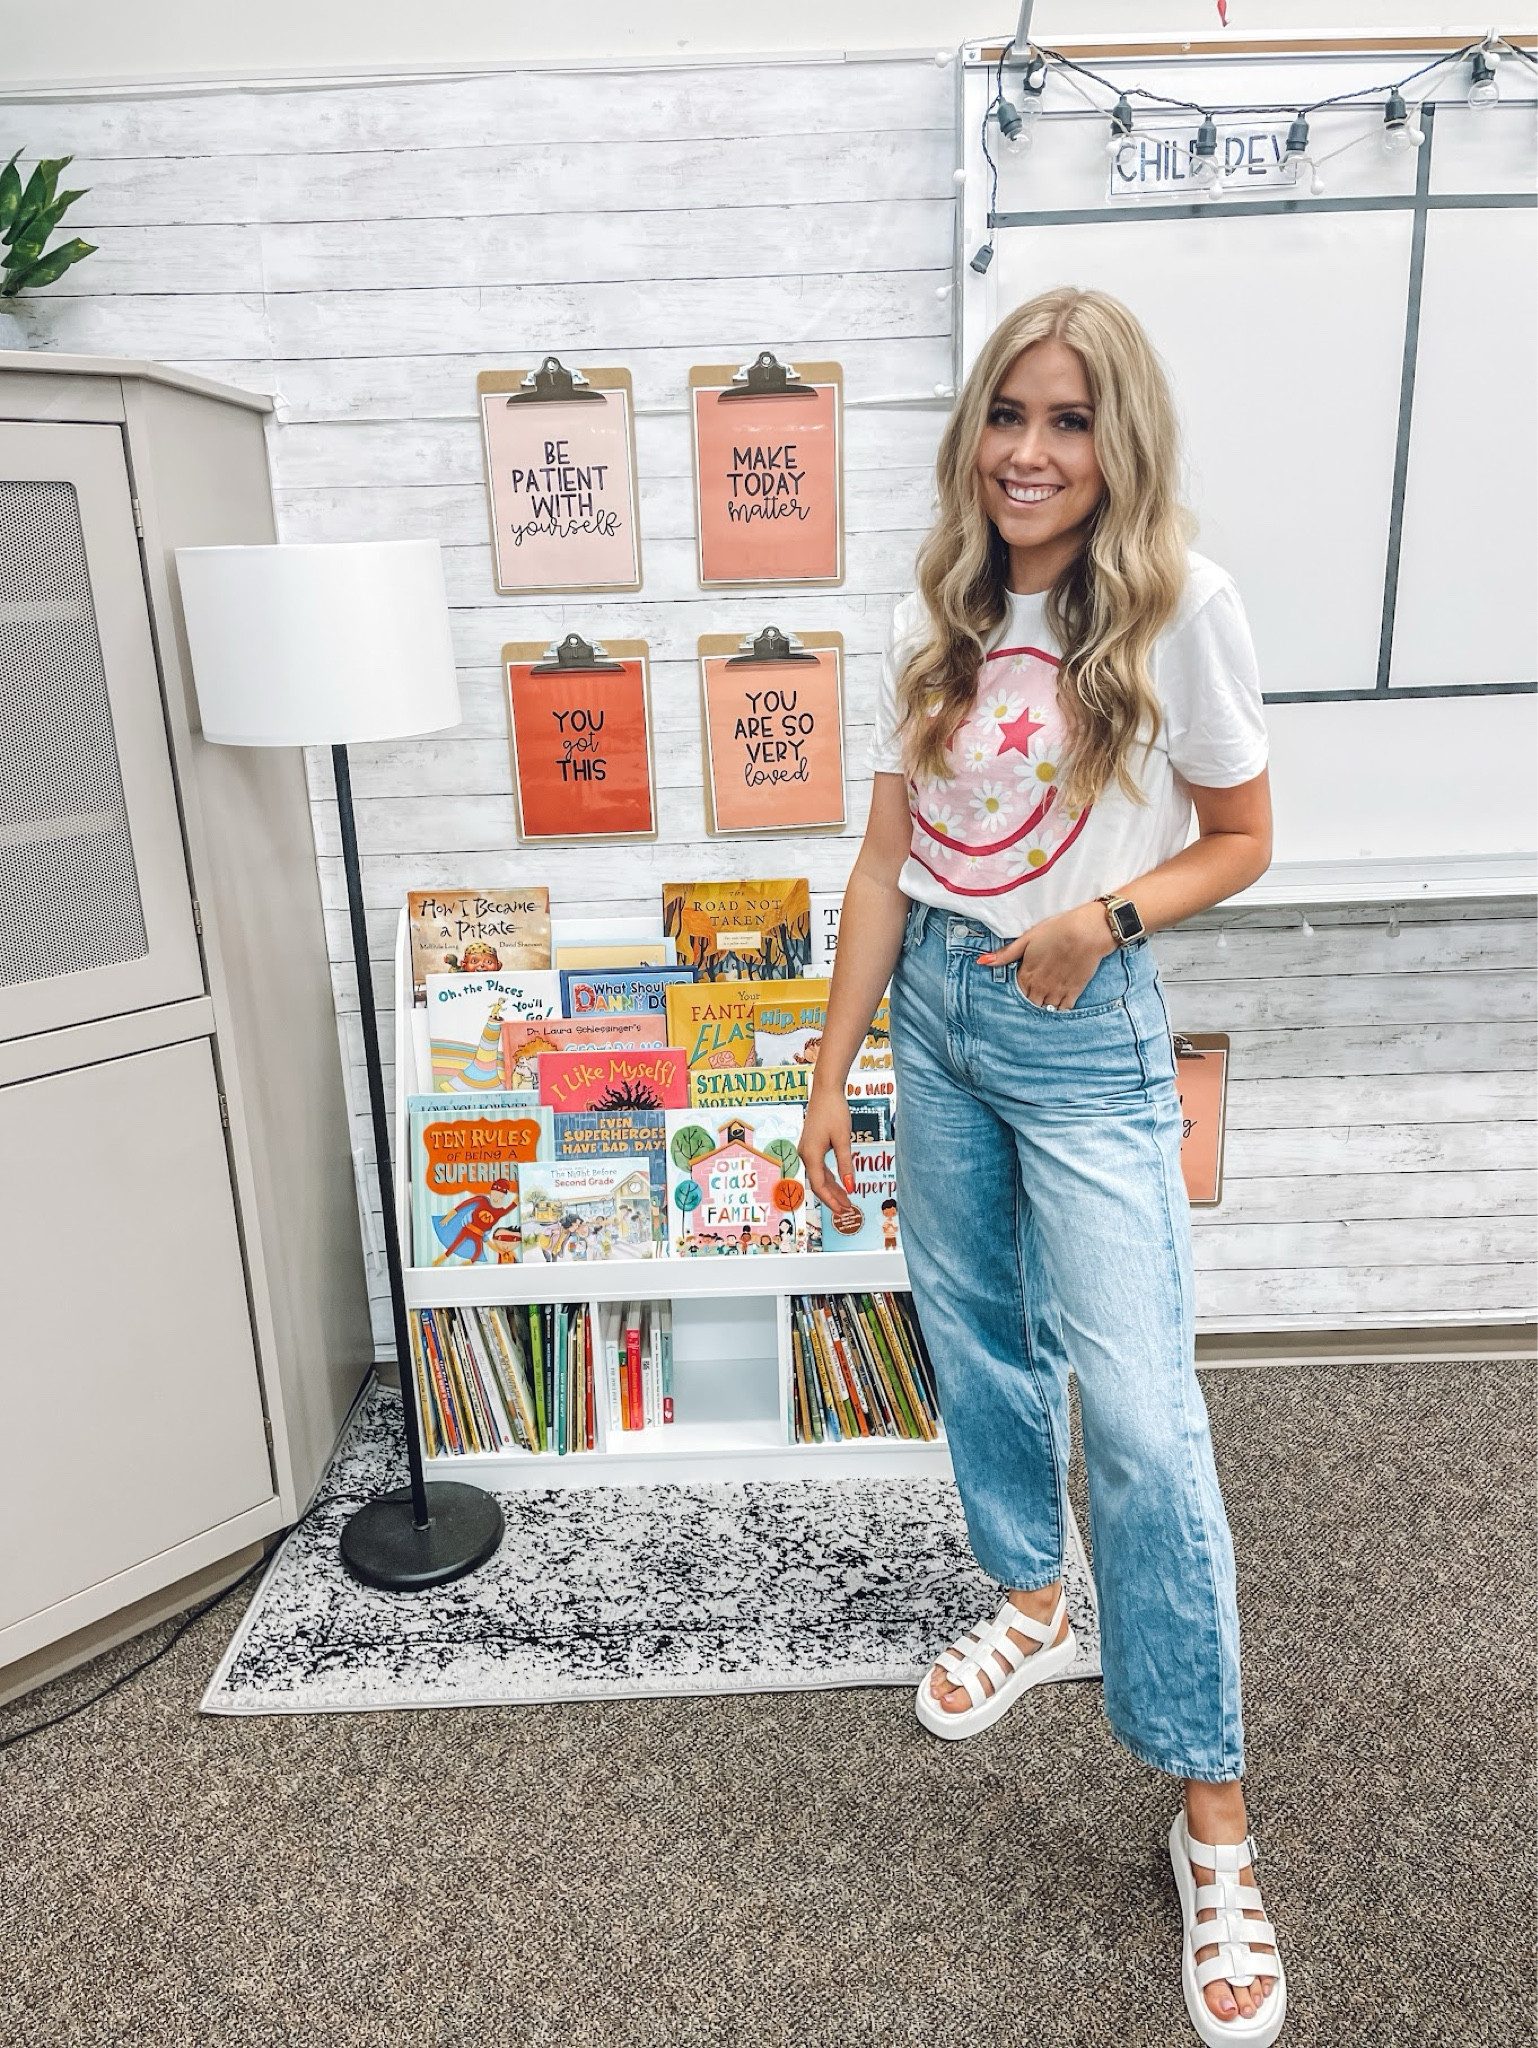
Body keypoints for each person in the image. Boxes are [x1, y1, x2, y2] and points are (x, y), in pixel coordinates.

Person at [799, 287, 1284, 2048]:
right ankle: (1027, 1589)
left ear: (1116, 438)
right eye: (1009, 412)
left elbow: (1240, 837)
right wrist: (829, 1065)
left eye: (1067, 419)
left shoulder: (1179, 606)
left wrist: (1104, 917)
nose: (1028, 450)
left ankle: (1208, 1818)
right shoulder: (933, 603)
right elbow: (878, 864)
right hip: (931, 1005)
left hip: (1080, 1024)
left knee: (1146, 1419)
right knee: (975, 1336)